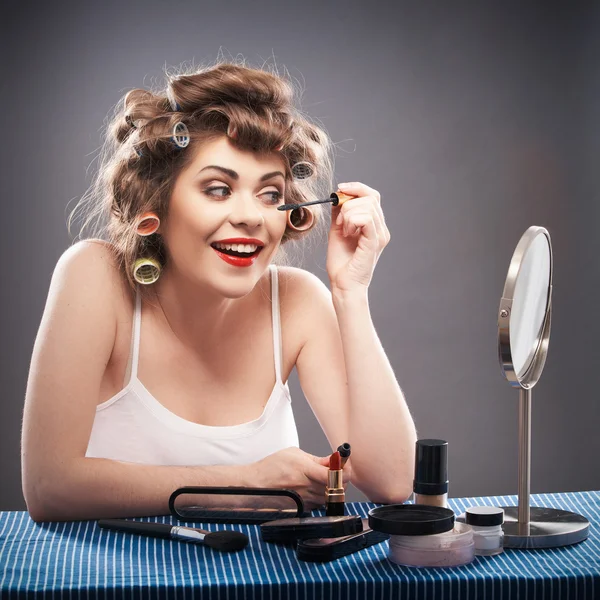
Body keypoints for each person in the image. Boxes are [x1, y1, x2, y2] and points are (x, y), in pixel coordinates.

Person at [21, 60, 417, 522]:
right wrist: (243, 484)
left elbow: (390, 480)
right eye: (217, 189)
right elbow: (49, 488)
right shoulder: (96, 276)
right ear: (156, 202)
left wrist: (351, 292)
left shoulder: (297, 301)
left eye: (270, 195)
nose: (251, 216)